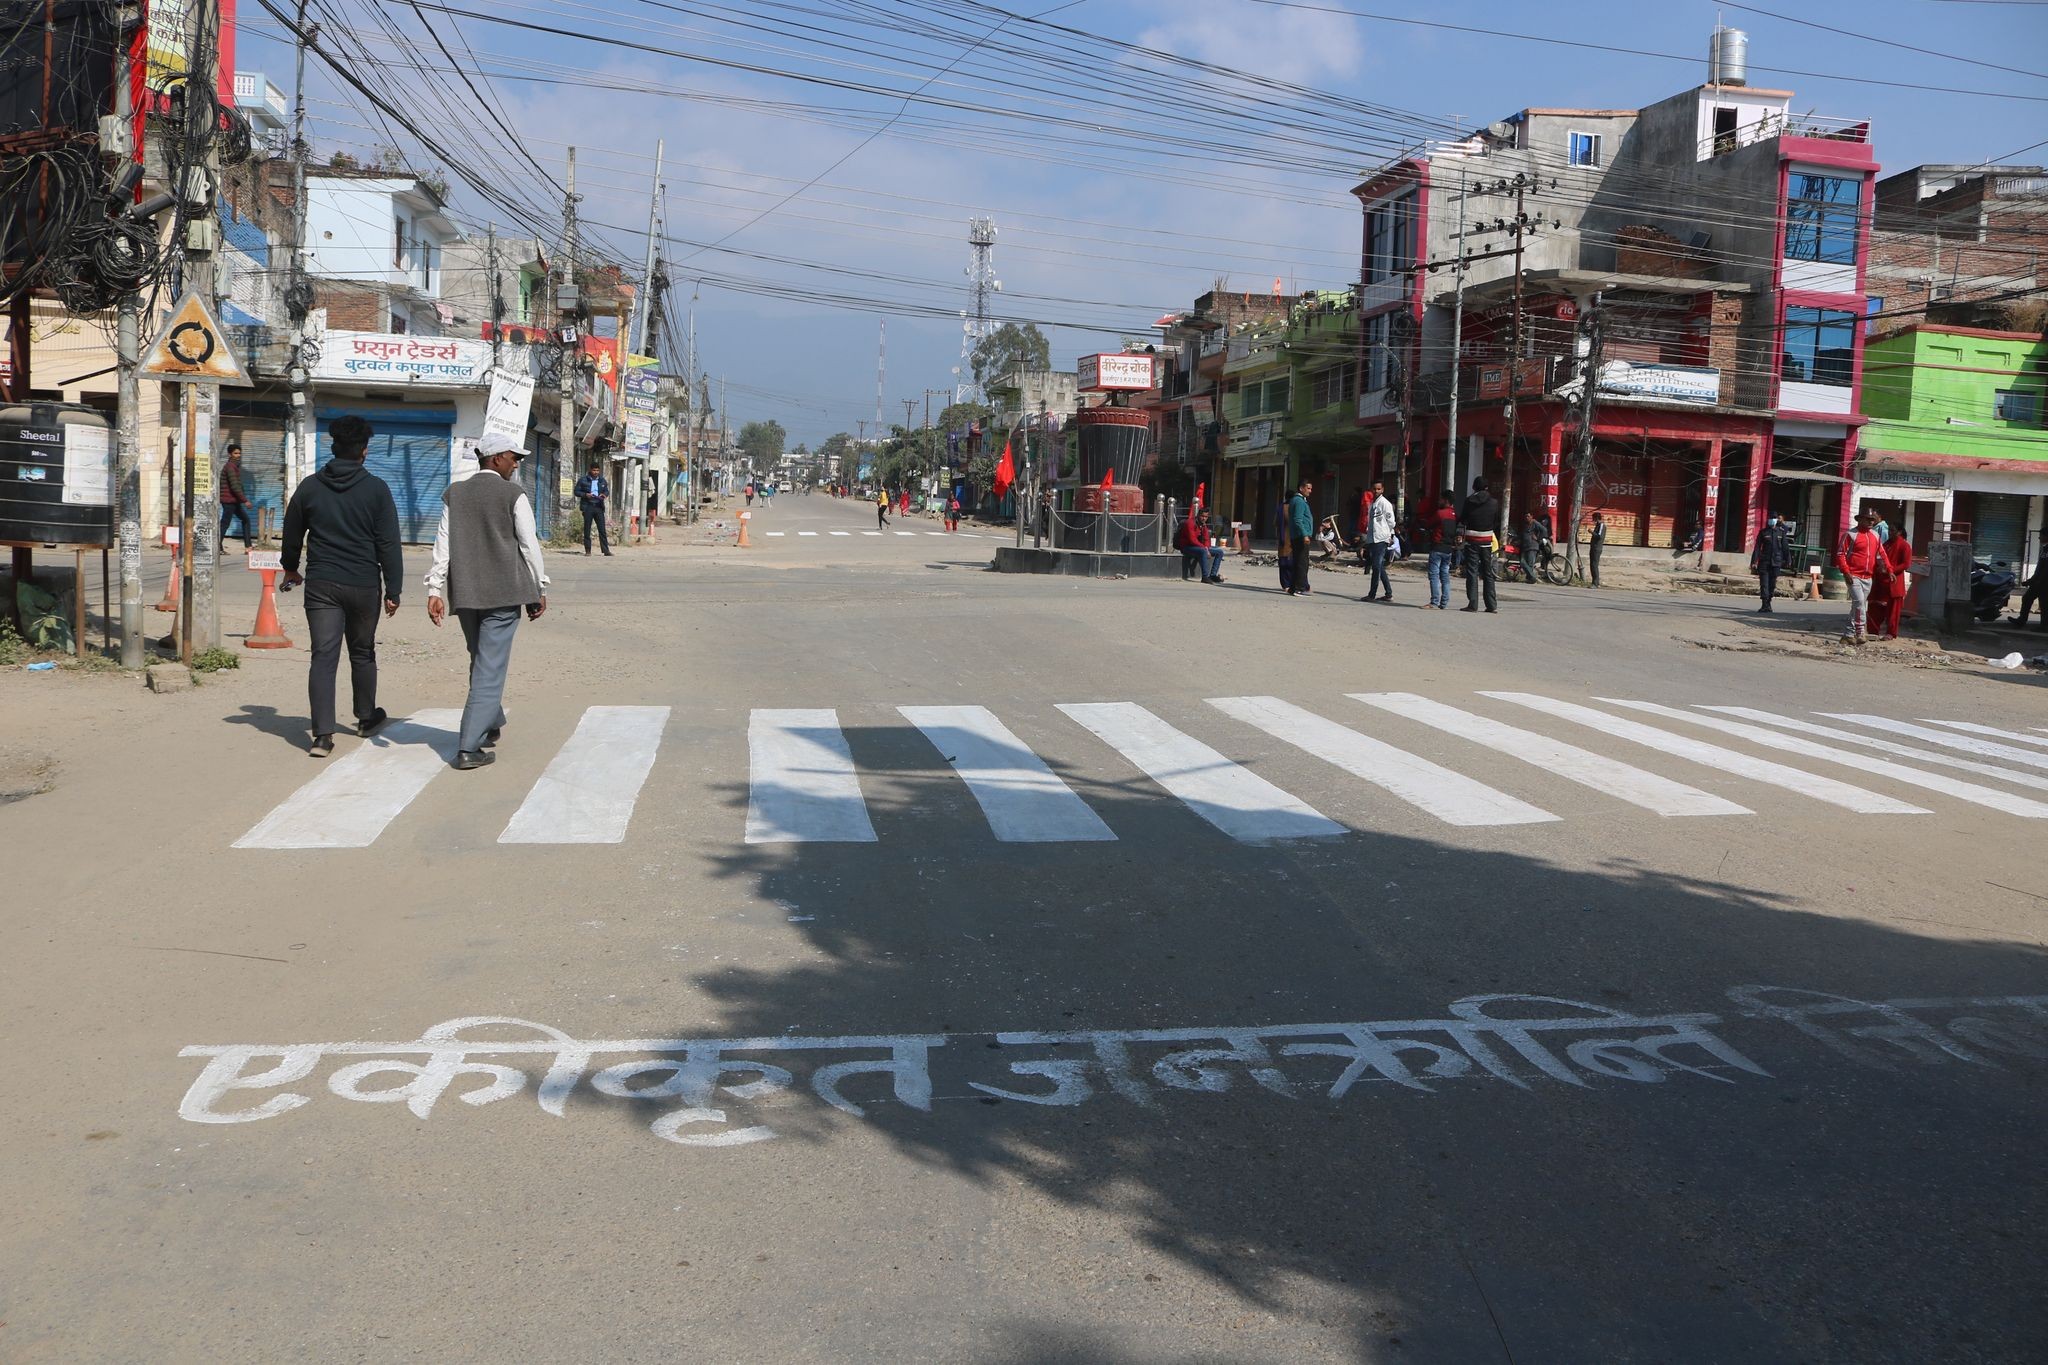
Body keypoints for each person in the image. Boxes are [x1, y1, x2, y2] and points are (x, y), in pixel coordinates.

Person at [424, 435, 549, 771]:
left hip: (465, 594)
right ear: (495, 459)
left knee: (481, 659)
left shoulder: (455, 494)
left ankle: (490, 721)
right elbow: (528, 545)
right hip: (505, 593)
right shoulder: (513, 495)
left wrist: (435, 590)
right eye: (513, 457)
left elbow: (442, 545)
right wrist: (540, 586)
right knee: (490, 666)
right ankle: (468, 746)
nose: (516, 463)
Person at [280, 415, 401, 757]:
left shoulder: (310, 487)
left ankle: (322, 736)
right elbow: (388, 543)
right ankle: (365, 718)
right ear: (364, 451)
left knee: (323, 656)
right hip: (363, 585)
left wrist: (291, 568)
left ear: (333, 448)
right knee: (362, 652)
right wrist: (393, 590)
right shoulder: (377, 489)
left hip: (321, 584)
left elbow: (292, 532)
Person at [1834, 507, 1883, 643]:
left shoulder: (1875, 536)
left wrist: (1886, 568)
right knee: (1859, 602)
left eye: (1872, 519)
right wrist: (1846, 572)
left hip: (1868, 577)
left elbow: (1880, 555)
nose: (1871, 522)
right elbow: (1840, 554)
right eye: (1868, 519)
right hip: (1853, 575)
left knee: (1858, 605)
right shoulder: (1850, 534)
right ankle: (1860, 632)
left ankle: (1848, 635)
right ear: (1860, 519)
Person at [1458, 475, 1502, 613]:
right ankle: (1491, 605)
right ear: (1487, 488)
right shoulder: (1494, 503)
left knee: (1472, 571)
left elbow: (1463, 519)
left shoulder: (1469, 501)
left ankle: (1473, 604)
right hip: (1487, 540)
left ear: (1474, 487)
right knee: (1487, 572)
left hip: (1472, 540)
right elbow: (1497, 521)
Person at [1871, 525, 1912, 639]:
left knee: (1893, 611)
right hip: (1880, 580)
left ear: (1899, 532)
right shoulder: (1886, 544)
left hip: (1894, 582)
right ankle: (1873, 630)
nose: (1890, 533)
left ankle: (1891, 632)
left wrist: (1890, 570)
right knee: (1875, 606)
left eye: (1892, 530)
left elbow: (1906, 564)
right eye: (1889, 530)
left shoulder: (1904, 546)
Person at [1359, 480, 1396, 603]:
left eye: (1379, 489)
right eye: (1374, 489)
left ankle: (1372, 594)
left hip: (1381, 538)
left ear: (1383, 489)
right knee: (1379, 566)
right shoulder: (1372, 504)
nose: (1376, 491)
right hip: (1373, 539)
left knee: (1375, 566)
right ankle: (1388, 594)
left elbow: (1391, 522)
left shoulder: (1385, 503)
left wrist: (1389, 535)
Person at [1751, 512, 1792, 613]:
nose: (1772, 520)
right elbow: (1757, 548)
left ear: (1776, 520)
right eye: (1771, 518)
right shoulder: (1763, 532)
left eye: (1774, 518)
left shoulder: (1781, 532)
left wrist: (1788, 560)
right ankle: (1764, 604)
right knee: (1764, 584)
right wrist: (1754, 561)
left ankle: (1769, 602)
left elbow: (1785, 548)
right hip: (1764, 562)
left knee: (1772, 584)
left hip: (1776, 563)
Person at [218, 442, 253, 551]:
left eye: (239, 453)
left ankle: (248, 547)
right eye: (235, 453)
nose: (238, 455)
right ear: (230, 454)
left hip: (233, 500)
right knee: (225, 523)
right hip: (229, 500)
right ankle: (217, 546)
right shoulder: (230, 467)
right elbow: (234, 486)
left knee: (244, 520)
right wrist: (245, 500)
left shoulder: (233, 466)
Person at [1426, 489, 1458, 609]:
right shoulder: (1454, 515)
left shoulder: (1440, 513)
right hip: (1448, 549)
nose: (1439, 501)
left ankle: (1434, 601)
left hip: (1437, 547)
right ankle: (1444, 602)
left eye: (1440, 499)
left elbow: (1429, 524)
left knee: (1434, 575)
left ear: (1446, 500)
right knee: (1444, 575)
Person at [574, 461, 612, 556]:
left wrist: (604, 495)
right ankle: (588, 550)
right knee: (587, 529)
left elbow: (606, 491)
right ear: (590, 470)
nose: (596, 472)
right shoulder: (583, 480)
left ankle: (606, 550)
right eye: (594, 470)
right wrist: (586, 495)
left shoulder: (602, 480)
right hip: (588, 506)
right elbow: (576, 491)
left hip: (599, 506)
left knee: (602, 530)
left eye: (597, 470)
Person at [1285, 478, 1315, 596]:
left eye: (1311, 488)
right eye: (1308, 488)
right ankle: (1299, 588)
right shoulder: (1299, 501)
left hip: (1297, 536)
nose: (1310, 491)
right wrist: (1305, 535)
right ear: (1301, 488)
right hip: (1300, 536)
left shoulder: (1299, 500)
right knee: (1302, 563)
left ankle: (1293, 587)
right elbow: (1298, 520)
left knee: (1298, 561)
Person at [2017, 543, 2048, 630]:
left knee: (2044, 605)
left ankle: (2044, 626)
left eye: (2041, 535)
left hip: (2044, 583)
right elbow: (2040, 568)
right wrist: (2030, 581)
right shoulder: (2045, 549)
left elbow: (2045, 569)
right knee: (2027, 598)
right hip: (2037, 582)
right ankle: (2021, 620)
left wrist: (2036, 580)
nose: (2039, 538)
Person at [1588, 511, 1607, 589]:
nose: (1593, 520)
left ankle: (1595, 583)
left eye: (1593, 518)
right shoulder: (1597, 525)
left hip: (1597, 548)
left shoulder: (1602, 525)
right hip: (1593, 547)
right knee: (1592, 565)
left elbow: (1599, 536)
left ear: (1596, 518)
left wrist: (1592, 532)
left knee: (1594, 565)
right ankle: (1594, 582)